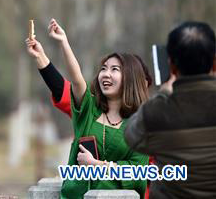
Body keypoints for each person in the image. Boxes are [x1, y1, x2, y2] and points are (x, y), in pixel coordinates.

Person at [29, 19, 148, 199]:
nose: (106, 74)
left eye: (115, 69)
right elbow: (77, 80)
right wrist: (62, 43)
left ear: (130, 79)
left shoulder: (139, 127)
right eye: (103, 68)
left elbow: (139, 173)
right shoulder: (89, 110)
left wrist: (97, 165)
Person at [124, 22, 216, 198]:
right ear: (214, 62)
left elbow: (131, 136)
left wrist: (163, 93)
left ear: (172, 66)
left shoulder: (156, 112)